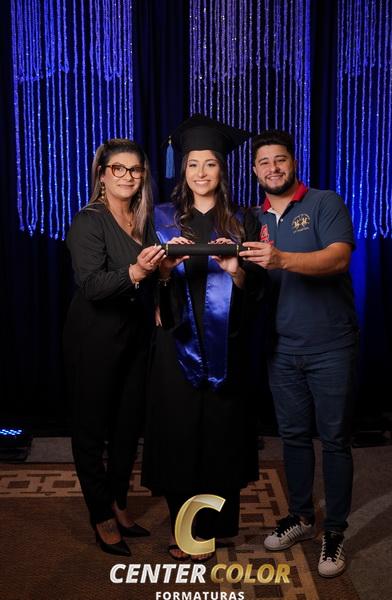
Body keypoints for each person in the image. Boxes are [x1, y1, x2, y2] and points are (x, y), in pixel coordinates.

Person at [141, 114, 262, 561]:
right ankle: (185, 531)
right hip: (176, 344)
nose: (201, 173)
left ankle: (216, 527)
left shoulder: (244, 220)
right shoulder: (162, 218)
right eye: (193, 164)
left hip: (226, 345)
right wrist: (163, 274)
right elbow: (146, 285)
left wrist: (237, 273)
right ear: (183, 169)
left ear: (221, 169)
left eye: (210, 163)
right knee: (179, 433)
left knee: (222, 435)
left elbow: (260, 288)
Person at [240, 129, 358, 577]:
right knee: (292, 437)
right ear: (255, 171)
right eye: (264, 162)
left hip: (331, 345)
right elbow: (248, 284)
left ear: (293, 162)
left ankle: (335, 531)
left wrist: (281, 259)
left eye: (280, 159)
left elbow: (339, 258)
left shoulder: (325, 202)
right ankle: (302, 517)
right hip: (281, 348)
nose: (273, 168)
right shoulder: (252, 219)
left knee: (335, 439)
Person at [63, 138, 165, 556]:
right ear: (102, 175)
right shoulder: (89, 221)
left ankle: (119, 503)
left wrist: (160, 287)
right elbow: (91, 285)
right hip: (94, 337)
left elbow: (155, 273)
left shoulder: (145, 219)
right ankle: (101, 514)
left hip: (134, 335)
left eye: (135, 169)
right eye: (118, 169)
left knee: (127, 427)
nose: (127, 176)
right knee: (92, 430)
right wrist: (136, 272)